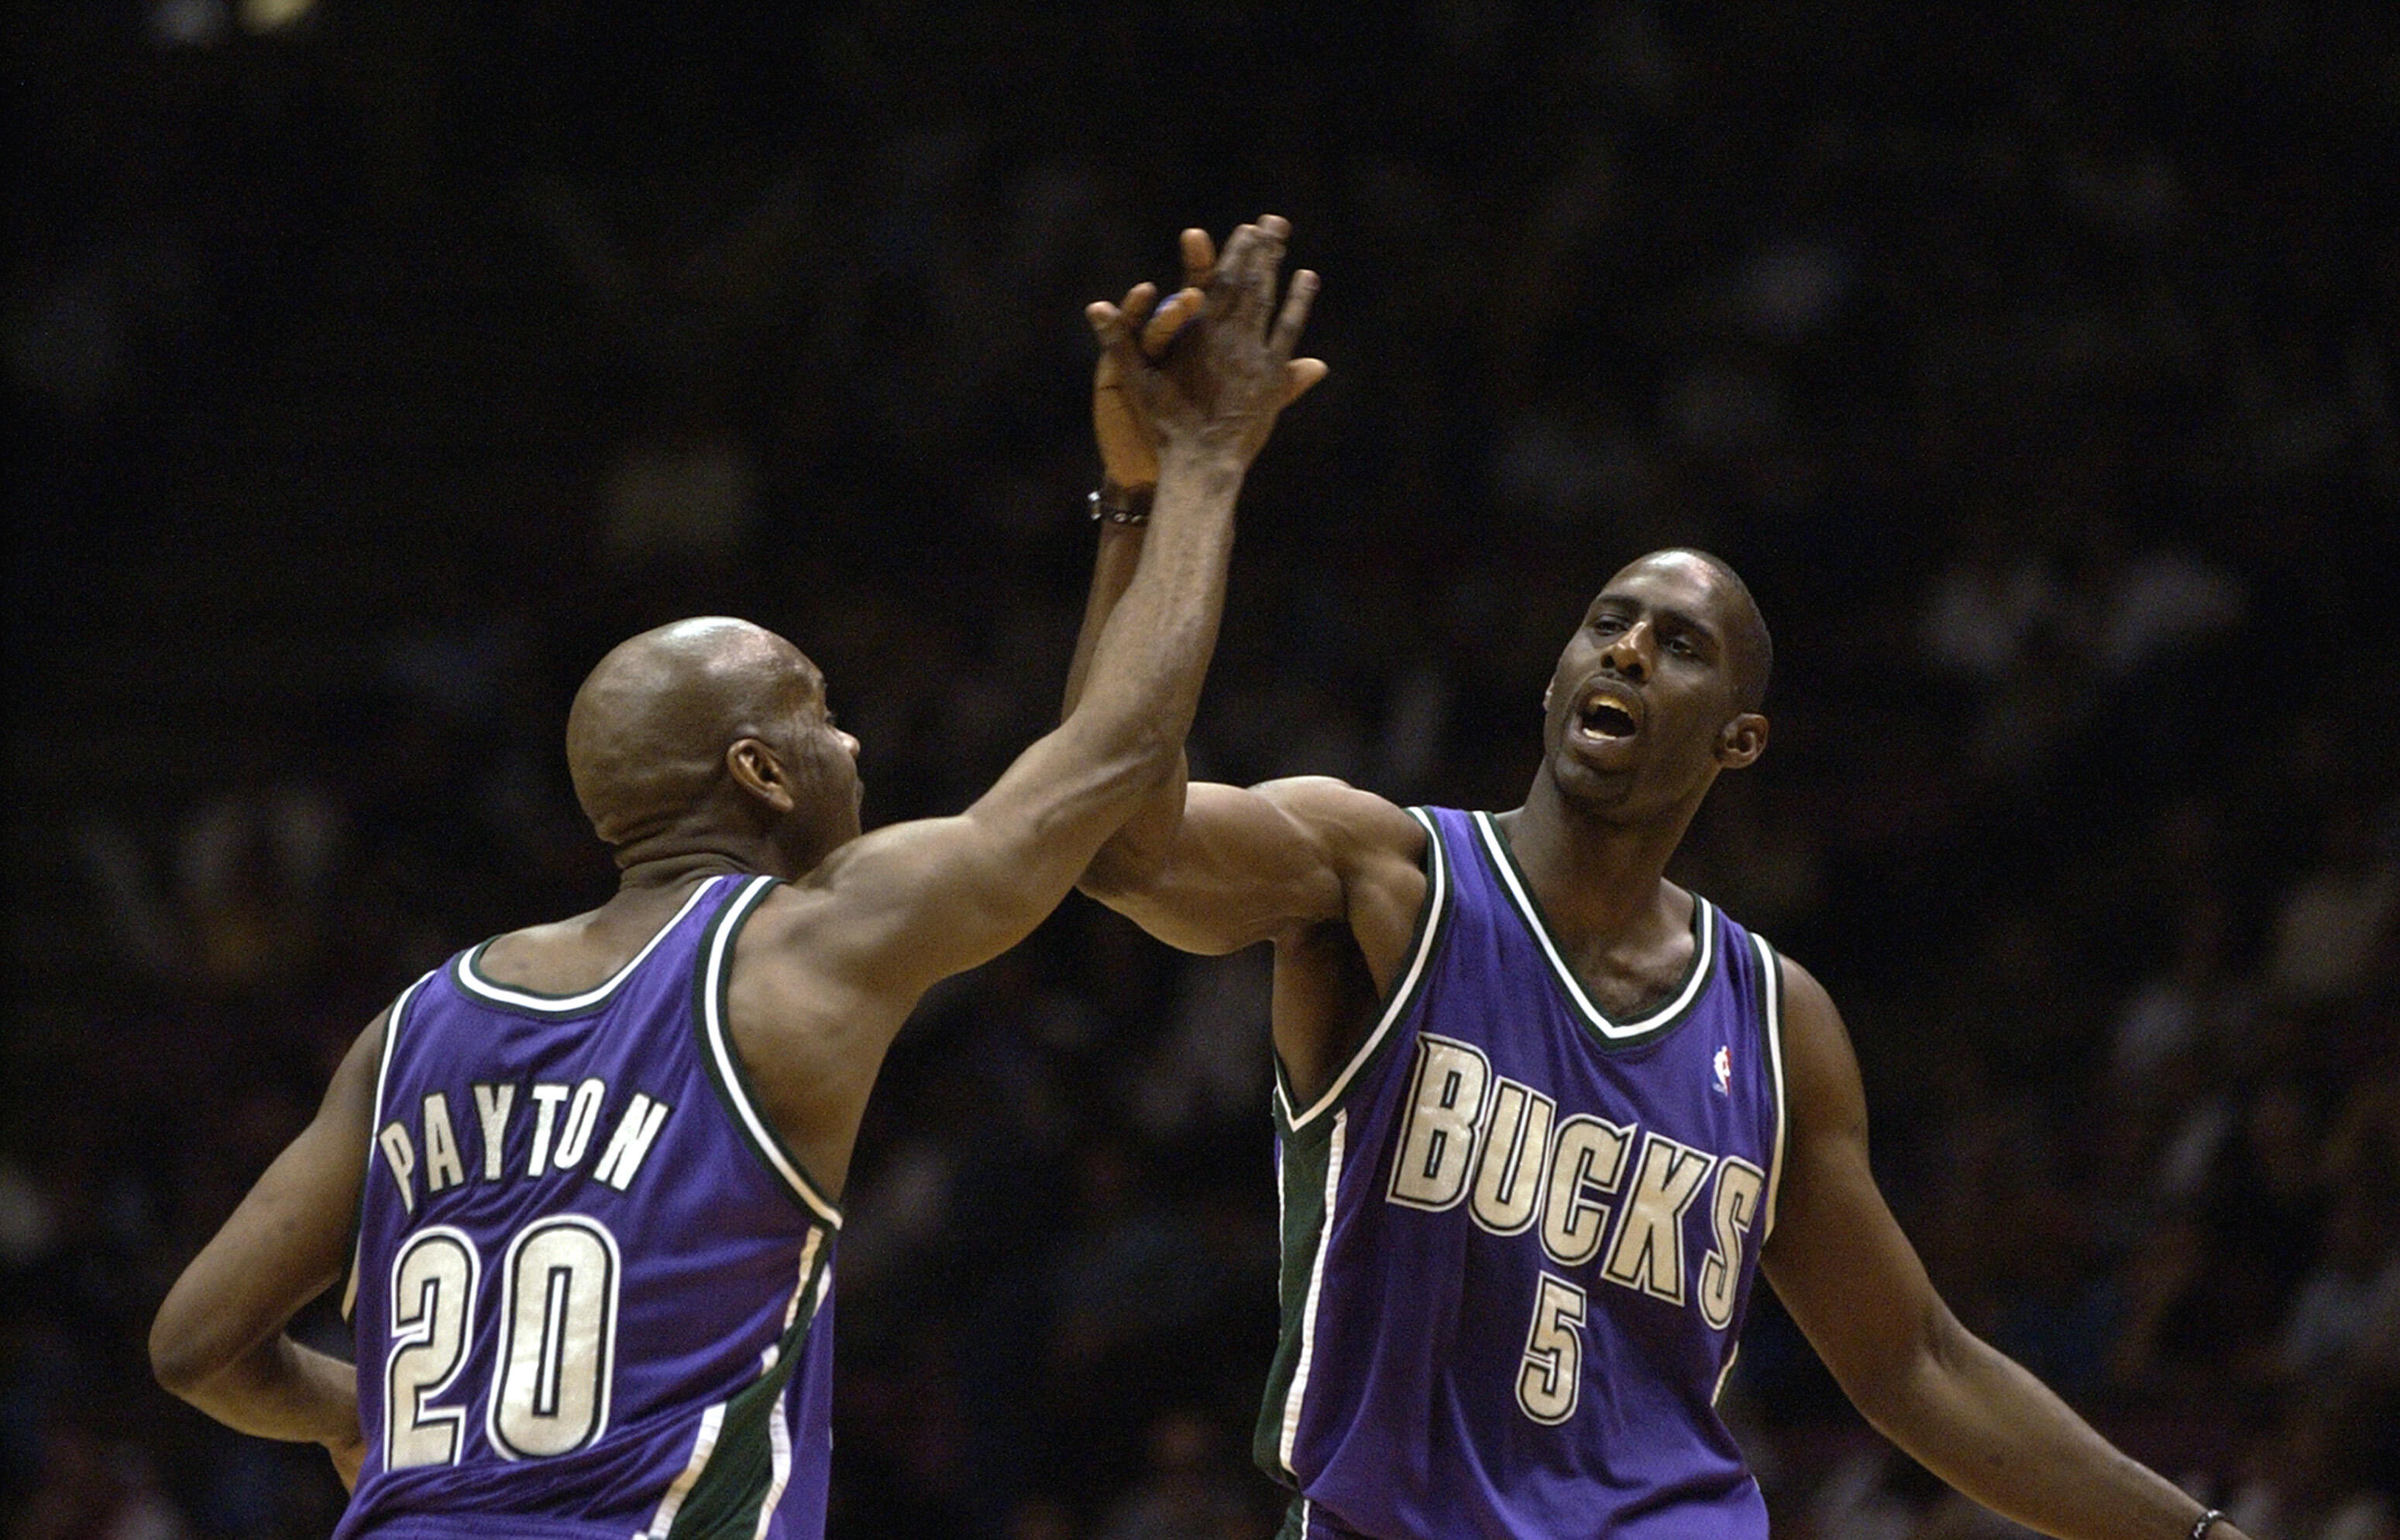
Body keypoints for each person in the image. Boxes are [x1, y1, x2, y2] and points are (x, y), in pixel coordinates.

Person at [147, 216, 1326, 1538]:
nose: (856, 740)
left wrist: (355, 1411)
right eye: (822, 714)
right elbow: (1114, 757)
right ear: (762, 773)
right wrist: (1200, 469)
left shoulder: (413, 1025)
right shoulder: (799, 945)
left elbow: (198, 1346)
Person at [1068, 232, 2256, 1540]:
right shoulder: (1384, 876)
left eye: (1676, 644)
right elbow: (1118, 843)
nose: (1626, 648)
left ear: (1736, 740)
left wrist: (2196, 1537)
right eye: (1606, 623)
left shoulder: (1772, 1016)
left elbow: (1911, 1362)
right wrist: (1165, 495)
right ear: (1554, 676)